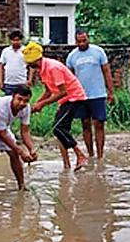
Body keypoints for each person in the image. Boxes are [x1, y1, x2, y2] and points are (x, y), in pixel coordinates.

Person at [22, 41, 89, 171]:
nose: (29, 66)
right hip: (65, 100)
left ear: (36, 60)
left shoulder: (53, 68)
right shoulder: (42, 70)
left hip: (74, 98)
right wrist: (37, 104)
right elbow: (48, 91)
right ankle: (67, 164)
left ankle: (80, 155)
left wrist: (43, 104)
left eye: (30, 64)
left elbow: (64, 91)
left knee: (58, 128)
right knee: (60, 131)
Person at [66, 30, 115, 160]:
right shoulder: (72, 57)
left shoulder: (98, 52)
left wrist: (111, 92)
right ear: (75, 41)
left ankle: (100, 155)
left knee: (99, 123)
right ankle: (90, 154)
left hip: (98, 94)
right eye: (79, 41)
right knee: (85, 123)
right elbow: (69, 78)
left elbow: (106, 72)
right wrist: (69, 96)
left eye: (84, 40)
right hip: (81, 96)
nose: (82, 43)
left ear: (88, 39)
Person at [0, 86, 38, 190]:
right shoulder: (1, 106)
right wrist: (22, 152)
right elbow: (2, 135)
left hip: (3, 127)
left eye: (26, 101)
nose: (22, 103)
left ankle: (21, 185)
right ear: (12, 96)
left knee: (14, 154)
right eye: (19, 99)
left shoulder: (26, 108)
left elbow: (25, 131)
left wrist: (31, 149)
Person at [0, 30, 28, 94]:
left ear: (21, 40)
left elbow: (31, 66)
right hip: (9, 83)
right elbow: (1, 66)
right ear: (10, 41)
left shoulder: (25, 51)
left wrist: (30, 80)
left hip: (21, 82)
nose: (16, 42)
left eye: (18, 40)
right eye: (13, 40)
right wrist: (0, 81)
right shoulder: (6, 51)